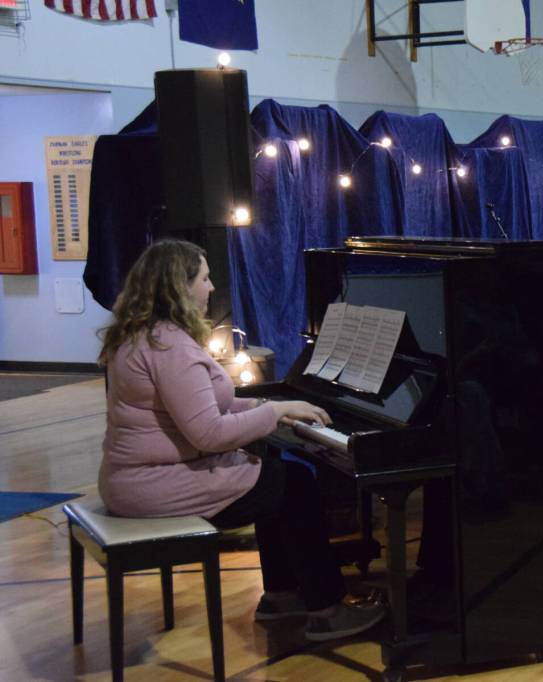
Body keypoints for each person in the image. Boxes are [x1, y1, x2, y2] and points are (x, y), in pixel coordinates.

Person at [97, 239, 385, 641]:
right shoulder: (169, 348)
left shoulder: (142, 336)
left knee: (271, 477)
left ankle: (282, 596)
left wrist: (270, 405)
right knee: (292, 485)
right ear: (179, 288)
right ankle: (327, 610)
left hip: (135, 479)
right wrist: (275, 412)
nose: (212, 287)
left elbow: (210, 404)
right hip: (153, 485)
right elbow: (209, 433)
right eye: (204, 277)